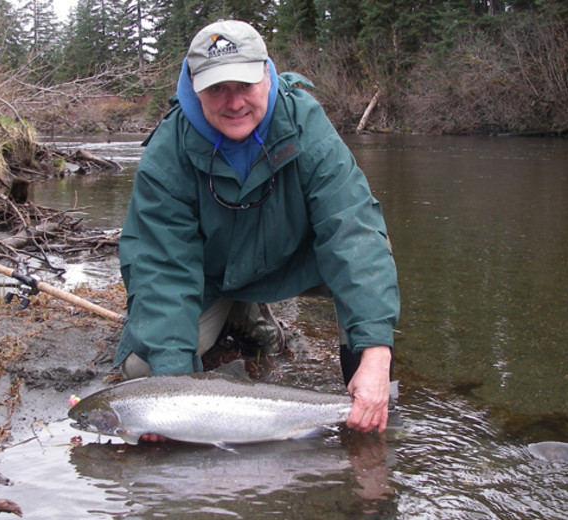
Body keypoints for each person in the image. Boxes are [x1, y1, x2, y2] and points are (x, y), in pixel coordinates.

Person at [114, 19, 399, 434]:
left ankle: (361, 404)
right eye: (217, 89)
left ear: (267, 73)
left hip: (294, 262)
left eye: (244, 85)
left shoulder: (305, 124)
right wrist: (173, 394)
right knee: (143, 374)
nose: (234, 103)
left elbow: (352, 231)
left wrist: (376, 354)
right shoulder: (167, 153)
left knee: (370, 251)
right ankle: (239, 314)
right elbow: (162, 270)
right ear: (194, 85)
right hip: (211, 279)